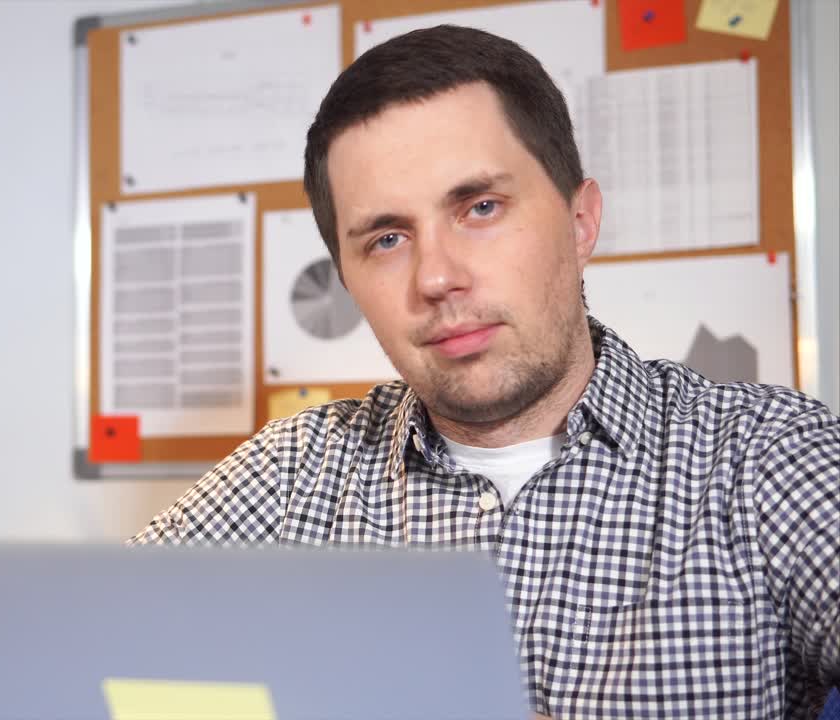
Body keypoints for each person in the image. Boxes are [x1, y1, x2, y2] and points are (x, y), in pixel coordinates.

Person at [131, 25, 839, 719]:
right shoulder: (291, 476)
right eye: (387, 238)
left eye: (480, 207)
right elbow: (77, 654)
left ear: (581, 219)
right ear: (347, 278)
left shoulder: (763, 457)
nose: (437, 277)